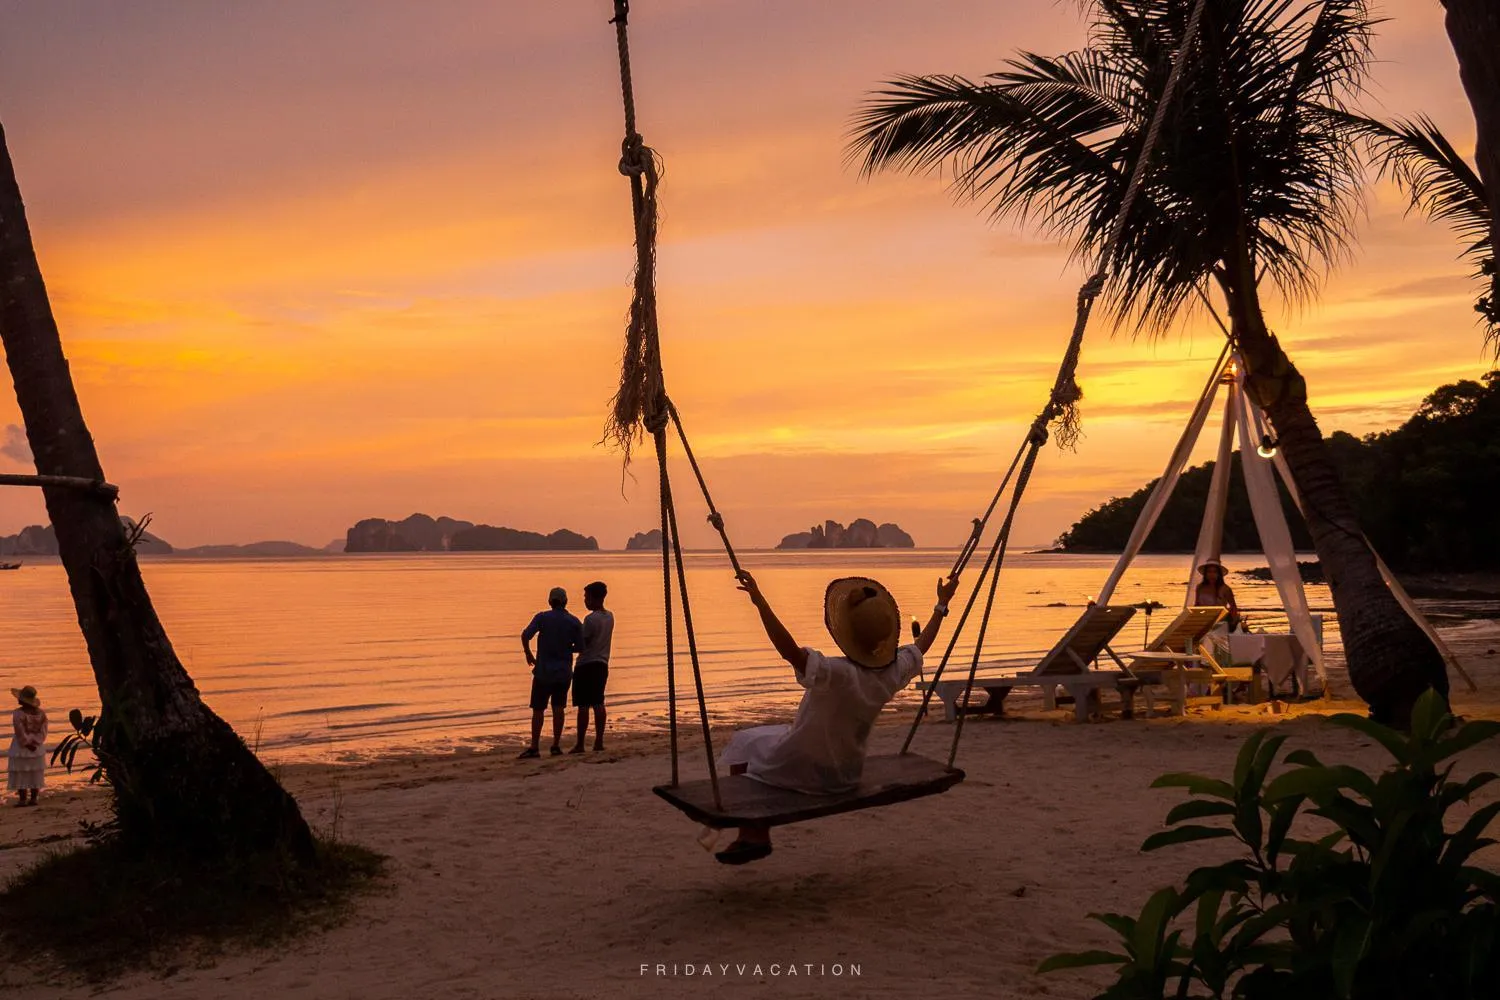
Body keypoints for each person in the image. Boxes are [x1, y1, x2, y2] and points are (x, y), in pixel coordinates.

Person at [712, 569, 961, 865]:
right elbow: (922, 646)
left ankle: (752, 831)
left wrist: (760, 602)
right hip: (845, 775)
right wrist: (941, 605)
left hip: (803, 770)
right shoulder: (891, 673)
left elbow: (789, 651)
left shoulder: (836, 673)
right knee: (768, 735)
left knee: (742, 742)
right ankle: (752, 828)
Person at [519, 587, 583, 759]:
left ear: (550, 602)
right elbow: (582, 646)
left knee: (538, 709)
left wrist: (528, 653)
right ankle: (555, 745)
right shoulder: (574, 621)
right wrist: (568, 647)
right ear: (565, 602)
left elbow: (525, 635)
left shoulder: (542, 617)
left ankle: (534, 747)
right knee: (558, 709)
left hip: (543, 672)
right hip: (563, 673)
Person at [570, 580, 614, 755]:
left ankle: (580, 743)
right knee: (598, 702)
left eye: (586, 597)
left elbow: (583, 644)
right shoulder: (610, 616)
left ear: (594, 598)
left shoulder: (590, 619)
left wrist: (566, 647)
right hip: (602, 664)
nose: (585, 601)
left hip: (586, 665)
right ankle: (598, 741)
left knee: (583, 705)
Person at [8, 685, 48, 807]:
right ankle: (34, 798)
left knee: (20, 772)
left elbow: (19, 731)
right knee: (35, 773)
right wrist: (36, 742)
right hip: (37, 748)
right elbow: (43, 732)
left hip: (21, 746)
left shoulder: (18, 713)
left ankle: (22, 799)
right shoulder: (41, 714)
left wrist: (26, 743)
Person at [1194, 560, 1241, 631]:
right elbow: (1197, 605)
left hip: (1220, 620)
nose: (1211, 574)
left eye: (1215, 572)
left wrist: (1234, 623)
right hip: (1204, 620)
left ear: (1219, 574)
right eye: (1209, 571)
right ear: (1205, 573)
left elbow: (1233, 606)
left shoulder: (1225, 588)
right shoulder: (1200, 587)